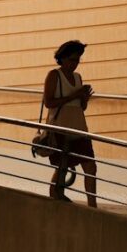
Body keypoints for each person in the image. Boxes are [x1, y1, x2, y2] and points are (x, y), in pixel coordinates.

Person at [43, 39, 98, 207]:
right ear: (63, 58)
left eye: (78, 60)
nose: (75, 64)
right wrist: (75, 95)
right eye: (72, 59)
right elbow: (49, 102)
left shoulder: (78, 77)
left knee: (90, 167)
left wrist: (84, 98)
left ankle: (92, 205)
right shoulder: (54, 75)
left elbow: (81, 107)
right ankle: (56, 196)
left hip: (79, 127)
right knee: (62, 167)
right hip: (60, 128)